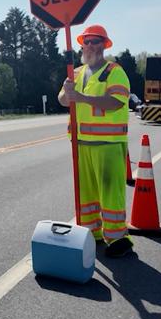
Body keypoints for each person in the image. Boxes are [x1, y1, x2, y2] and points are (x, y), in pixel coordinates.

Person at [58, 24, 133, 258]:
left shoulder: (114, 71)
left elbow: (116, 102)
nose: (90, 45)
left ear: (104, 45)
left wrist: (80, 97)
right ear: (82, 45)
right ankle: (93, 233)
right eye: (87, 41)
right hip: (81, 144)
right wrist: (66, 93)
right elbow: (62, 99)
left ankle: (119, 239)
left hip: (108, 144)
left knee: (111, 193)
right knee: (86, 195)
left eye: (96, 41)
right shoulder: (76, 72)